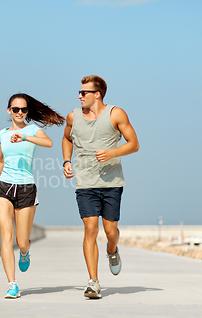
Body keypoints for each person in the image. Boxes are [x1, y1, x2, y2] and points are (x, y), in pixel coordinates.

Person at [62, 75, 139, 299]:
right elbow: (67, 139)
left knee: (111, 231)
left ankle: (112, 250)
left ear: (97, 94)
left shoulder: (116, 114)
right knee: (90, 229)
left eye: (83, 92)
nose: (79, 96)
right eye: (79, 92)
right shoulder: (73, 117)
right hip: (85, 183)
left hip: (111, 183)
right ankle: (93, 282)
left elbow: (134, 144)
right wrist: (67, 161)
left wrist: (112, 153)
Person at [0, 93, 64, 298]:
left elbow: (49, 144)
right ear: (8, 110)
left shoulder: (33, 130)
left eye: (24, 110)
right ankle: (12, 284)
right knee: (6, 236)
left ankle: (24, 252)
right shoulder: (1, 134)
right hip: (3, 187)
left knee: (21, 240)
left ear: (27, 112)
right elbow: (0, 161)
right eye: (15, 109)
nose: (19, 113)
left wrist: (25, 137)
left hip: (27, 188)